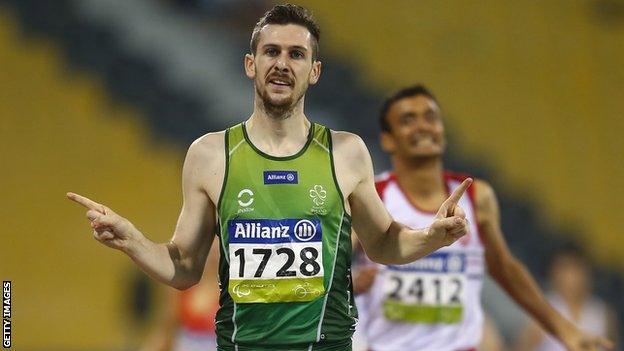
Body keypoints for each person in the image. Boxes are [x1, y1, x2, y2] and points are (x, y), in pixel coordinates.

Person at [66, 5, 473, 350]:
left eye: (296, 54)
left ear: (314, 71)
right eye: (271, 51)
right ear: (251, 64)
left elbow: (383, 243)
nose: (282, 63)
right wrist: (131, 241)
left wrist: (431, 236)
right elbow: (185, 267)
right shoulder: (210, 155)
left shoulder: (345, 153)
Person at [352, 84, 614, 351]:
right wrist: (348, 282)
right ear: (387, 139)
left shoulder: (478, 197)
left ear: (442, 130)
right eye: (408, 120)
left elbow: (505, 269)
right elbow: (333, 260)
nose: (423, 126)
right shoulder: (374, 195)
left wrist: (565, 331)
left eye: (431, 117)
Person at [515, 245, 619, 351]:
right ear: (553, 274)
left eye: (576, 270)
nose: (571, 278)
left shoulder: (603, 314)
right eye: (565, 271)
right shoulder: (542, 310)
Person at [139, 241, 220, 351]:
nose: (215, 253)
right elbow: (164, 332)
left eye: (218, 248)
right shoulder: (181, 288)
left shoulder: (238, 293)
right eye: (211, 246)